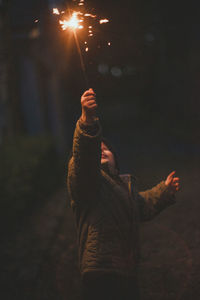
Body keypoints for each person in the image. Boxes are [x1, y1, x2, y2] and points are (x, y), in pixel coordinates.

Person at [67, 88, 180, 300]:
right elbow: (83, 159)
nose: (101, 150)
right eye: (97, 149)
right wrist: (87, 122)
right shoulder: (87, 181)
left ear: (116, 164)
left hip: (126, 268)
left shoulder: (123, 188)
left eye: (106, 150)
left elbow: (141, 205)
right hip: (99, 269)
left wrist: (164, 190)